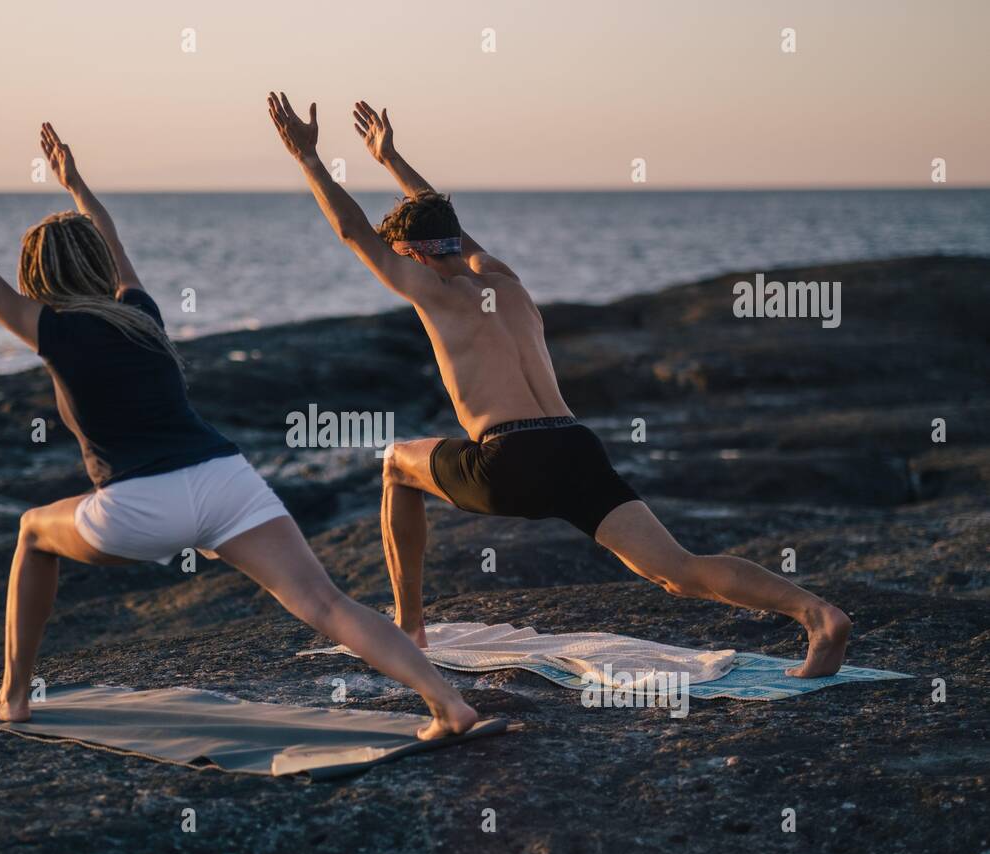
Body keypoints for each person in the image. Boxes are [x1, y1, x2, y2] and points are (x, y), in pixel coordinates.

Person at [0, 120, 478, 735]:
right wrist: (76, 184)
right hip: (227, 480)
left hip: (140, 507)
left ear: (38, 282)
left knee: (31, 532)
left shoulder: (56, 331)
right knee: (326, 604)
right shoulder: (139, 313)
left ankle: (13, 696)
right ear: (95, 265)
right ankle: (450, 704)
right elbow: (111, 236)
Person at [267, 94, 851, 677]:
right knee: (678, 569)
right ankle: (817, 615)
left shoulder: (430, 289)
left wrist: (309, 159)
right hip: (575, 447)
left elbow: (351, 232)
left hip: (509, 461)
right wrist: (391, 160)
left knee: (396, 462)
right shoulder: (506, 283)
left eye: (401, 255)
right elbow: (451, 229)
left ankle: (410, 629)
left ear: (414, 255)